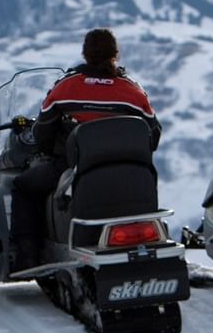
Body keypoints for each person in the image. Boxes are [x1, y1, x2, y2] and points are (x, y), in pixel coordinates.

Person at [10, 28, 161, 264]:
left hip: (76, 167)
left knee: (22, 186)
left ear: (85, 54)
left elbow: (43, 132)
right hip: (132, 173)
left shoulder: (66, 87)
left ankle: (27, 255)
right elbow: (153, 134)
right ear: (115, 54)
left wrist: (53, 148)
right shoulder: (133, 91)